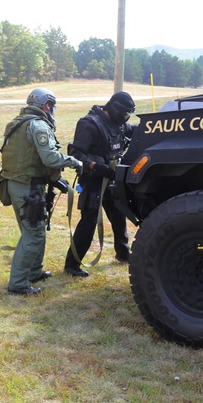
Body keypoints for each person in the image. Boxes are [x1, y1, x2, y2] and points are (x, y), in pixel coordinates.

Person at [0, 88, 83, 295]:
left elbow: (29, 157)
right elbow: (50, 158)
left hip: (17, 184)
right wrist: (74, 161)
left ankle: (34, 271)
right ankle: (18, 283)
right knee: (33, 234)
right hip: (27, 187)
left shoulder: (17, 122)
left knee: (35, 231)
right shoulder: (38, 125)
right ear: (47, 105)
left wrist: (54, 180)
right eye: (51, 106)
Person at [64, 91, 136, 277]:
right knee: (89, 222)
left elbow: (134, 131)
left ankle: (122, 253)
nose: (126, 118)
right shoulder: (90, 124)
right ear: (114, 108)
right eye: (125, 113)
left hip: (111, 179)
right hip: (93, 181)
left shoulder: (118, 125)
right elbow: (75, 153)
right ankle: (72, 265)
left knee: (119, 217)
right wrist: (96, 166)